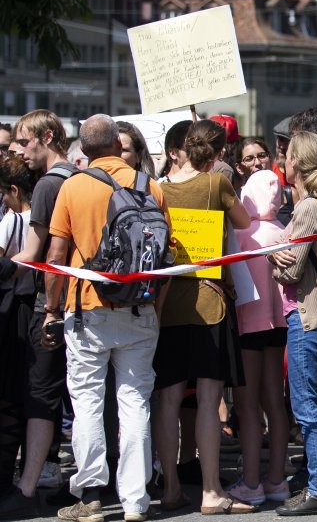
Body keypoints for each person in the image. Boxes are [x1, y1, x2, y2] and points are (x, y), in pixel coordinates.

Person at [44, 114, 169, 522]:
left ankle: (92, 495)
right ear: (118, 142)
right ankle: (136, 502)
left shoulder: (73, 187)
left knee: (87, 403)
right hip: (139, 306)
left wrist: (50, 309)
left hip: (87, 309)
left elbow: (56, 257)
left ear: (83, 149)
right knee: (134, 403)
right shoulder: (147, 184)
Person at [152, 119, 255, 515]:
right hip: (210, 302)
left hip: (167, 306)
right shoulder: (217, 184)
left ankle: (171, 488)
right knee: (210, 400)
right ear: (219, 152)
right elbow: (244, 222)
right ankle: (212, 490)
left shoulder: (156, 188)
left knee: (168, 401)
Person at [0, 110, 75, 519]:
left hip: (49, 304)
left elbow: (37, 255)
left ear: (47, 137)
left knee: (40, 395)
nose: (20, 151)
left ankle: (27, 488)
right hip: (77, 303)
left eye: (24, 142)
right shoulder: (78, 176)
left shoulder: (48, 184)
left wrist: (48, 309)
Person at [267, 131, 317, 515]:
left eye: (287, 154)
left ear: (297, 162)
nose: (283, 159)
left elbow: (290, 271)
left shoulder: (308, 208)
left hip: (309, 315)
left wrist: (270, 256)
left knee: (308, 407)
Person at [227, 169, 290, 506]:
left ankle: (251, 481)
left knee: (248, 406)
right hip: (279, 325)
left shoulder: (243, 233)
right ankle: (277, 478)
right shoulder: (284, 230)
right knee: (275, 403)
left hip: (247, 325)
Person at [0, 157, 36, 503]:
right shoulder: (39, 220)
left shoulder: (11, 220)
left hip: (11, 309)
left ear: (13, 190)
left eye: (4, 194)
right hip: (30, 309)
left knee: (8, 396)